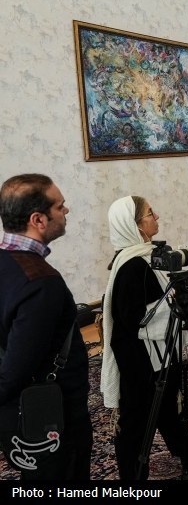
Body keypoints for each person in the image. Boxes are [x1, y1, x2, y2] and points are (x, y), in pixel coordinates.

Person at [100, 196, 188, 480]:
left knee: (163, 410)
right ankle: (133, 478)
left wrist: (179, 297)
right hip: (142, 360)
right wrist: (178, 303)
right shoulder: (133, 266)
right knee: (137, 421)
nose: (157, 217)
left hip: (157, 352)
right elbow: (136, 319)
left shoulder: (143, 256)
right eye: (150, 214)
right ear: (135, 225)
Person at [0, 173, 92, 480]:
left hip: (21, 415)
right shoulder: (41, 284)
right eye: (60, 206)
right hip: (51, 418)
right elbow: (16, 369)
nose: (66, 211)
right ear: (38, 219)